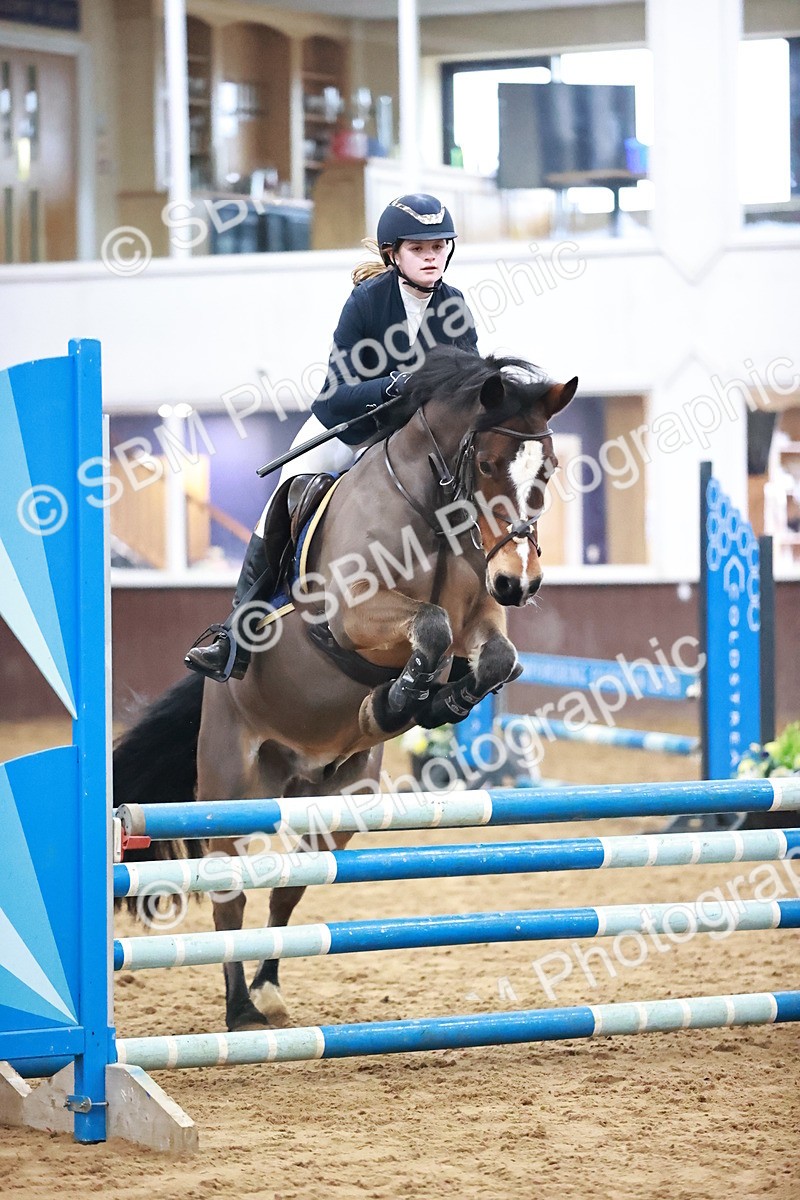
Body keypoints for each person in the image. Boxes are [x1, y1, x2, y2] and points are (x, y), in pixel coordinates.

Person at [185, 193, 480, 681]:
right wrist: (393, 385)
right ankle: (237, 636)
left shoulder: (455, 307)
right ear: (393, 254)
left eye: (439, 246)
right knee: (284, 496)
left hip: (414, 445)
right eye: (418, 247)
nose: (431, 256)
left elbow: (468, 386)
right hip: (352, 430)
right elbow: (335, 395)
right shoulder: (367, 303)